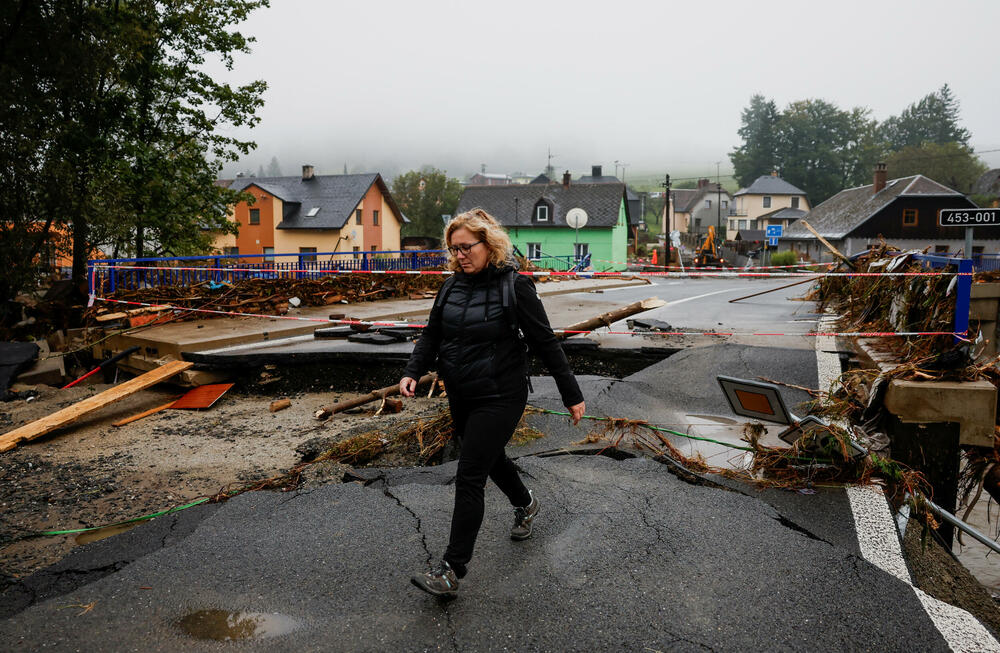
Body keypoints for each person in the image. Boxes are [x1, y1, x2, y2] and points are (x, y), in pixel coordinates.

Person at [401, 208, 586, 598]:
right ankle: (526, 502)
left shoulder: (515, 286)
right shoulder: (450, 287)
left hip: (502, 394)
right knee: (486, 456)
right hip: (463, 391)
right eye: (454, 249)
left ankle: (451, 569)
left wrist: (572, 394)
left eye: (467, 247)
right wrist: (413, 370)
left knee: (470, 474)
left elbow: (545, 342)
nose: (460, 255)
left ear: (489, 244)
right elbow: (433, 334)